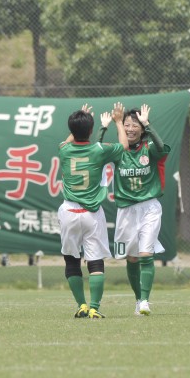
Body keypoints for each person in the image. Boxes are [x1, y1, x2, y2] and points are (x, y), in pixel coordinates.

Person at [58, 103, 128, 319]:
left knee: (72, 260)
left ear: (71, 129)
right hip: (92, 213)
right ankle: (95, 307)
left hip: (69, 211)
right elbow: (124, 145)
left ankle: (82, 305)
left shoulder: (64, 149)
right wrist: (117, 121)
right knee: (95, 261)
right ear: (91, 131)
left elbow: (68, 140)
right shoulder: (99, 150)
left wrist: (80, 122)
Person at [100, 104, 170, 317]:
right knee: (131, 258)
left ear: (141, 129)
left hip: (149, 207)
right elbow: (94, 150)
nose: (130, 129)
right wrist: (105, 128)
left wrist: (149, 124)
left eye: (134, 125)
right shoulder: (117, 151)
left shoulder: (149, 148)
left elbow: (162, 147)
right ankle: (138, 298)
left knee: (146, 254)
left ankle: (145, 301)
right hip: (126, 211)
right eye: (126, 124)